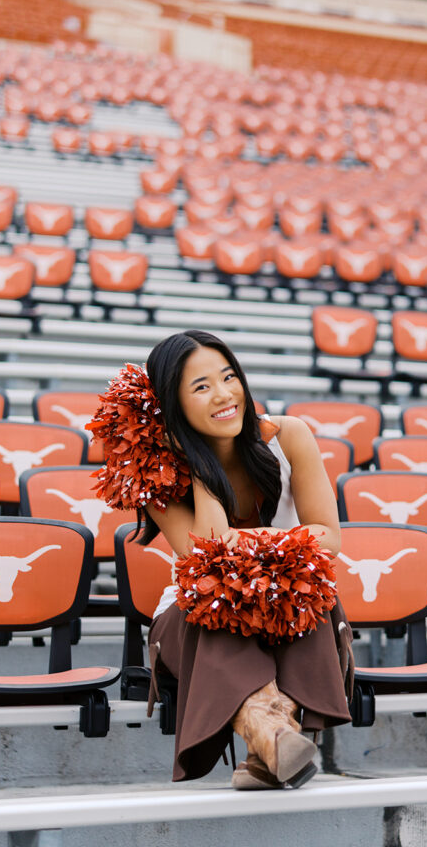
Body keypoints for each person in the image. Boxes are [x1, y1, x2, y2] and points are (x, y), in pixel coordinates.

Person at [140, 329, 352, 790]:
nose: (223, 395)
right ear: (173, 407)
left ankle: (269, 746)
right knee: (216, 607)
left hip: (288, 594)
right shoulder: (157, 473)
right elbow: (208, 557)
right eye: (200, 387)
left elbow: (329, 538)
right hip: (193, 616)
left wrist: (251, 541)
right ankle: (273, 739)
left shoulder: (290, 435)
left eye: (229, 376)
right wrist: (199, 466)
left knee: (307, 592)